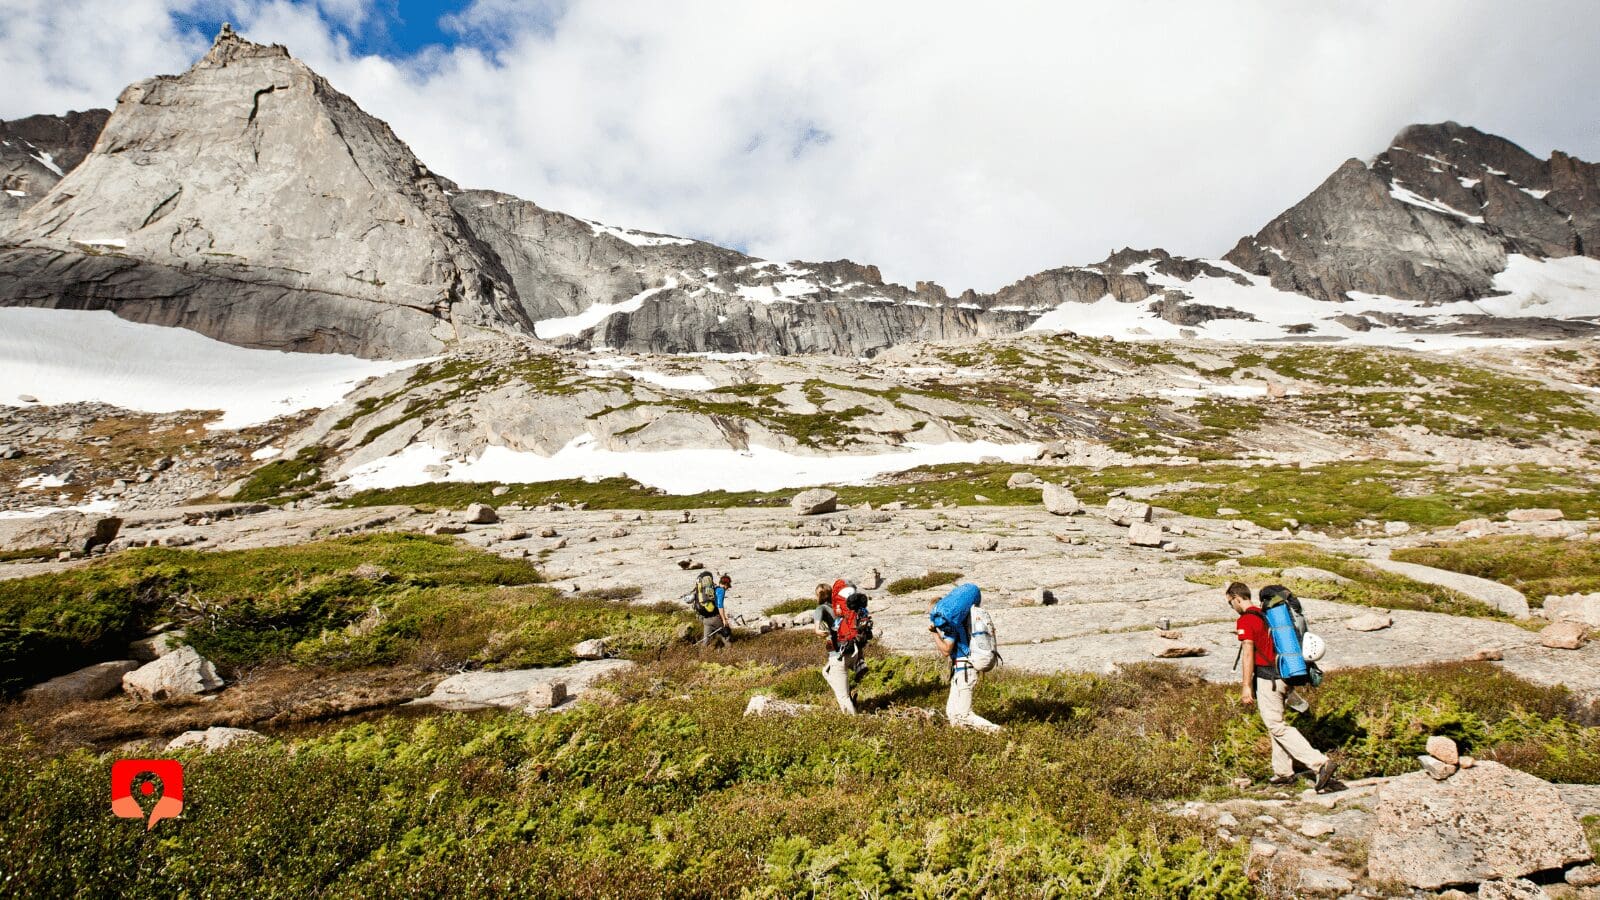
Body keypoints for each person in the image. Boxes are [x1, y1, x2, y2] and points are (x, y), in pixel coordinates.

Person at [1228, 581, 1336, 790]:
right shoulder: (1267, 615)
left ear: (1236, 597)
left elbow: (1248, 654)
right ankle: (1283, 772)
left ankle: (1320, 763)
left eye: (1230, 602)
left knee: (1276, 726)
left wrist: (1246, 686)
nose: (1231, 607)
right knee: (1275, 722)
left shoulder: (1246, 620)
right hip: (1285, 675)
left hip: (1269, 680)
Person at [928, 584, 1001, 733]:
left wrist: (934, 633)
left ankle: (998, 732)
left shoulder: (951, 628)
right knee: (952, 714)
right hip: (960, 672)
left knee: (964, 714)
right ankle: (963, 741)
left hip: (965, 672)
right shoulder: (958, 624)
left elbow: (946, 650)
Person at [815, 579, 871, 713]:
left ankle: (854, 721)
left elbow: (817, 630)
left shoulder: (821, 608)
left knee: (842, 696)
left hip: (838, 654)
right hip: (854, 650)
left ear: (818, 596)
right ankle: (858, 667)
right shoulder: (844, 606)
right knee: (825, 672)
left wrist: (823, 632)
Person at [692, 570, 732, 649]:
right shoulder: (721, 590)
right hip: (715, 618)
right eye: (728, 586)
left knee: (706, 641)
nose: (728, 588)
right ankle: (729, 653)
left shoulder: (714, 588)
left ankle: (702, 656)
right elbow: (720, 606)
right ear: (726, 584)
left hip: (706, 619)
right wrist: (724, 620)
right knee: (726, 634)